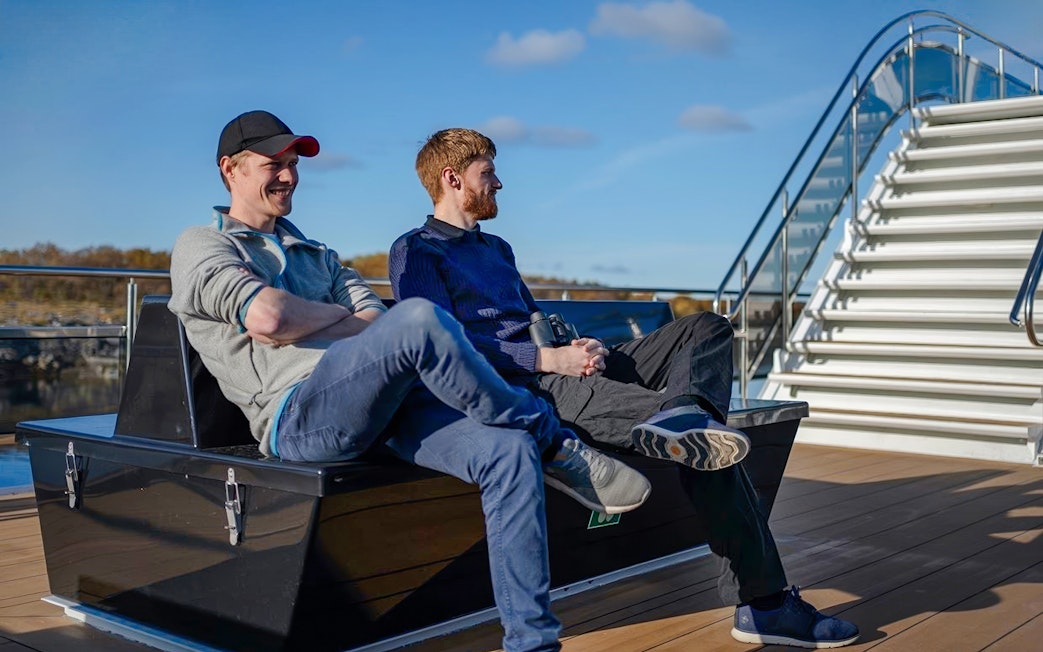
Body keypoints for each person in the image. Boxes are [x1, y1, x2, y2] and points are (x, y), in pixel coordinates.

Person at [168, 111, 653, 652]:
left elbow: (373, 320)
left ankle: (532, 643)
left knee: (508, 452)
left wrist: (321, 318)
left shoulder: (321, 255)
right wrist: (333, 317)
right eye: (272, 165)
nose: (288, 176)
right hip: (298, 414)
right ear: (229, 169)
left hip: (385, 402)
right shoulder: (203, 246)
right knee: (421, 317)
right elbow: (269, 319)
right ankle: (556, 443)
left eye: (292, 164)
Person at [389, 127, 861, 649]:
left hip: (564, 366)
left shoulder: (497, 248)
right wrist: (546, 358)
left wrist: (576, 344)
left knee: (706, 328)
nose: (499, 183)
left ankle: (684, 414)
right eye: (488, 173)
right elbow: (444, 348)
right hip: (529, 389)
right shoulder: (418, 252)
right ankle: (766, 604)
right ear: (453, 179)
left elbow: (529, 317)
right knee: (711, 449)